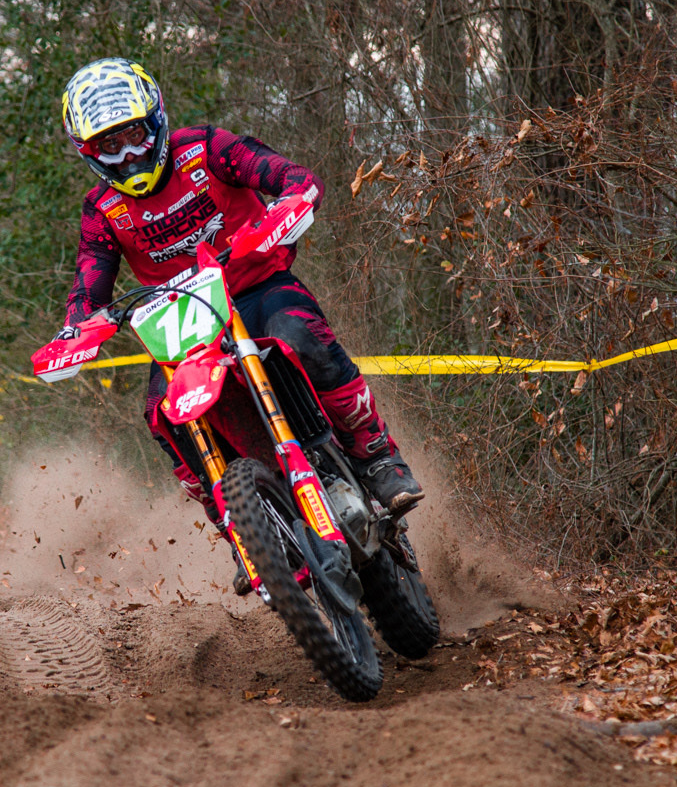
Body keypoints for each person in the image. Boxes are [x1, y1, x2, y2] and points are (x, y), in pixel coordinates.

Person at [53, 57, 424, 587]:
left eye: (133, 135)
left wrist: (290, 201)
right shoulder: (103, 209)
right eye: (109, 146)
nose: (129, 154)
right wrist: (77, 328)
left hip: (255, 288)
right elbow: (90, 281)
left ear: (154, 121)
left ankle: (377, 458)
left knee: (303, 339)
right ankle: (245, 531)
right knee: (164, 414)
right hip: (181, 326)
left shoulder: (205, 148)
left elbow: (287, 175)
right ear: (90, 154)